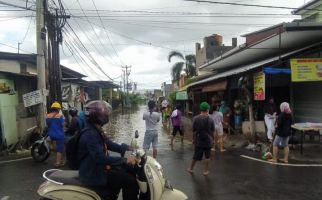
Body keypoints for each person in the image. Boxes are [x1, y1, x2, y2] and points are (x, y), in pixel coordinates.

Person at [78, 100, 139, 200]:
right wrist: (124, 160)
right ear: (99, 116)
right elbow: (99, 158)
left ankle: (111, 195)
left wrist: (126, 148)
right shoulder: (90, 134)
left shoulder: (96, 129)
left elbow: (108, 143)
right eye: (106, 113)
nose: (107, 116)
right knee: (129, 180)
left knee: (127, 170)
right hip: (93, 173)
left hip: (98, 167)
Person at [187, 102, 214, 176]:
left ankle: (191, 169)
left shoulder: (196, 118)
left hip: (198, 140)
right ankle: (205, 171)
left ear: (201, 109)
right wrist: (213, 140)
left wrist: (193, 139)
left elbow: (193, 130)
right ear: (207, 109)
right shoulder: (211, 119)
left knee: (196, 155)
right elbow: (212, 131)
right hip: (208, 140)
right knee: (207, 156)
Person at [46, 102, 65, 167]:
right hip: (59, 134)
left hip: (51, 134)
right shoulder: (60, 116)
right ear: (57, 109)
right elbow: (62, 125)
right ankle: (58, 163)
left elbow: (48, 124)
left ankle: (61, 161)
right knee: (60, 149)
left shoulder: (48, 115)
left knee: (55, 148)